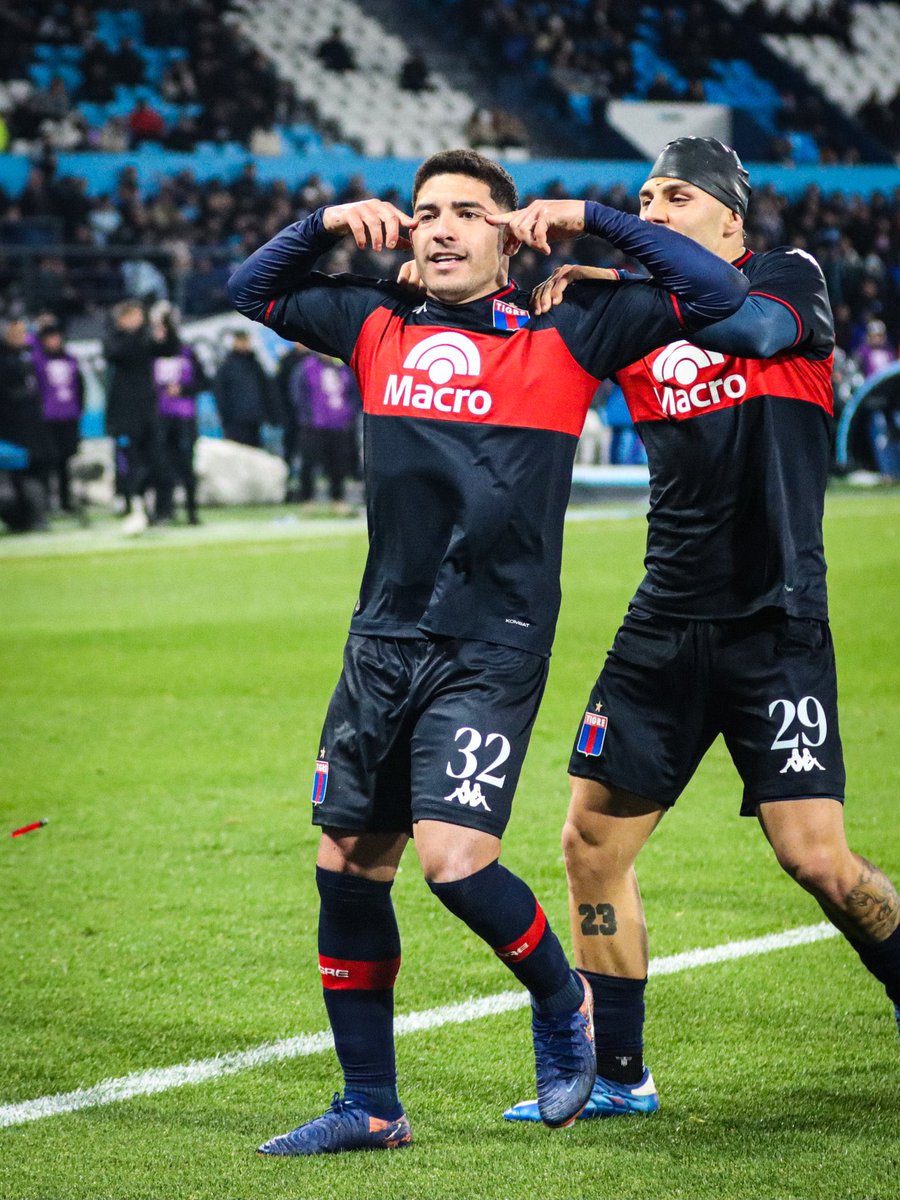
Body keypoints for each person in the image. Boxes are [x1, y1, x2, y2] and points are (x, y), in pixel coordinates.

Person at [228, 146, 748, 1155]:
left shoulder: (572, 326)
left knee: (455, 864)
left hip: (492, 641)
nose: (441, 226)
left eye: (469, 211)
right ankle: (370, 1105)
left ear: (511, 232)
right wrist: (329, 220)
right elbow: (251, 289)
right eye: (427, 212)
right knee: (348, 865)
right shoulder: (377, 321)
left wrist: (593, 219)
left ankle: (565, 1007)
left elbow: (716, 286)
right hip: (382, 637)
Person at [502, 137, 900, 1125]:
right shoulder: (631, 310)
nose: (654, 207)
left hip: (776, 623)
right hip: (666, 622)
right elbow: (503, 368)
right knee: (590, 843)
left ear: (731, 219)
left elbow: (757, 336)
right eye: (642, 195)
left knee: (815, 858)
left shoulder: (786, 282)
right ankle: (621, 1074)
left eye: (675, 195)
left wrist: (600, 226)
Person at [103, 299, 179, 534]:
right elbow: (117, 353)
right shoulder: (114, 338)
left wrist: (166, 325)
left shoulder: (145, 337)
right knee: (130, 465)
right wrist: (136, 332)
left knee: (158, 462)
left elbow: (169, 348)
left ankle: (161, 511)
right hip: (124, 414)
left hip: (148, 412)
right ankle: (132, 507)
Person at [281, 343, 361, 513]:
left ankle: (338, 499)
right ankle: (307, 499)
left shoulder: (343, 368)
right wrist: (307, 417)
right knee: (308, 463)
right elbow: (297, 394)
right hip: (314, 425)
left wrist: (349, 416)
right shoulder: (306, 367)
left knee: (338, 464)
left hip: (339, 424)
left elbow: (353, 393)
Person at [151, 303, 206, 525]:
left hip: (184, 417)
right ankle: (165, 510)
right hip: (160, 417)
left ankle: (192, 511)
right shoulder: (149, 354)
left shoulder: (187, 353)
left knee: (186, 466)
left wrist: (182, 389)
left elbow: (203, 382)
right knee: (161, 465)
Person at [0, 317, 53, 532]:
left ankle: (34, 517)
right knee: (14, 476)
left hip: (31, 427)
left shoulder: (29, 357)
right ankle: (21, 518)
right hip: (10, 428)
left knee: (32, 471)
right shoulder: (6, 361)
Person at [30, 319, 85, 513]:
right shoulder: (38, 360)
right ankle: (44, 502)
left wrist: (79, 410)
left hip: (68, 416)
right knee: (47, 461)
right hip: (47, 417)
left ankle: (65, 501)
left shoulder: (70, 359)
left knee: (65, 461)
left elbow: (80, 387)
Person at [212, 330, 272, 448]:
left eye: (246, 341)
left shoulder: (255, 363)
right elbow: (220, 393)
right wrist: (226, 416)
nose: (244, 344)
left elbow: (265, 389)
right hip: (235, 421)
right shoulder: (227, 366)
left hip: (254, 418)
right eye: (241, 341)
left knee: (255, 452)